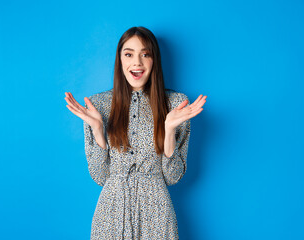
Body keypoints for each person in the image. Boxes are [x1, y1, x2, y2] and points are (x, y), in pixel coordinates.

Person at [64, 26, 207, 240]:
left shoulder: (176, 105)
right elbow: (100, 176)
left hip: (157, 214)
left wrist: (168, 130)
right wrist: (98, 129)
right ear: (120, 60)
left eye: (145, 54)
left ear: (154, 61)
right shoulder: (98, 105)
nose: (137, 62)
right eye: (129, 54)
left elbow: (173, 176)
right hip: (110, 215)